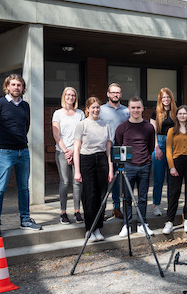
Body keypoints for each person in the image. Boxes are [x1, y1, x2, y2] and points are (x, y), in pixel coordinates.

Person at [0, 74, 42, 237]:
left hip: (23, 151)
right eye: (13, 85)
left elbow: (26, 126)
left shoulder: (25, 106)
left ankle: (25, 219)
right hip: (5, 152)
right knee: (0, 189)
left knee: (24, 187)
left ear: (23, 88)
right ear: (7, 87)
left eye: (19, 85)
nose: (16, 87)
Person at [73, 97, 113, 242]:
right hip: (86, 160)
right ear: (88, 109)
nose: (96, 110)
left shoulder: (105, 125)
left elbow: (108, 149)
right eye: (93, 107)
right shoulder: (82, 125)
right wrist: (77, 170)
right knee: (89, 195)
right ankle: (90, 228)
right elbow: (76, 149)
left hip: (102, 160)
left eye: (98, 107)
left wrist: (110, 169)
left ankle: (98, 227)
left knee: (102, 195)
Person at [115, 96, 155, 237]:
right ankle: (126, 224)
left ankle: (141, 224)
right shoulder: (122, 127)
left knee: (143, 198)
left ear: (143, 108)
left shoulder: (149, 127)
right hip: (128, 168)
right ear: (129, 109)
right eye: (133, 107)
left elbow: (150, 147)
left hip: (144, 166)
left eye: (138, 107)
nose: (136, 110)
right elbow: (118, 146)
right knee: (126, 198)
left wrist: (144, 159)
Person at [163, 105, 187, 234]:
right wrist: (171, 167)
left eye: (184, 113)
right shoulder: (171, 131)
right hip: (177, 162)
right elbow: (168, 150)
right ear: (177, 116)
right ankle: (169, 221)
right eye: (180, 114)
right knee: (174, 192)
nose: (182, 116)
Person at [52, 87, 85, 225]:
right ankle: (63, 213)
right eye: (68, 95)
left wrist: (73, 151)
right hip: (62, 152)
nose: (70, 97)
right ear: (64, 96)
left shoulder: (80, 114)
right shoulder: (58, 113)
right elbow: (56, 134)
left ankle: (77, 211)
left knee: (77, 182)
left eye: (73, 95)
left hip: (77, 151)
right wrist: (66, 151)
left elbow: (84, 133)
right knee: (65, 182)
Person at [98, 83, 130, 219]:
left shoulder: (126, 111)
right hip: (104, 148)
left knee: (119, 180)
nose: (115, 95)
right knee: (104, 179)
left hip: (120, 148)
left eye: (118, 92)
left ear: (121, 94)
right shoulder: (101, 110)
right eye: (113, 92)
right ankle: (101, 209)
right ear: (108, 94)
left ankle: (117, 208)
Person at [149, 88, 176, 216]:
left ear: (171, 98)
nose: (166, 100)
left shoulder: (176, 112)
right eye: (163, 97)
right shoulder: (155, 113)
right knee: (158, 178)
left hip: (174, 145)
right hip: (159, 143)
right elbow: (152, 132)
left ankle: (171, 205)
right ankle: (156, 205)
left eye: (168, 97)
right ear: (160, 99)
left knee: (172, 178)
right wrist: (156, 147)